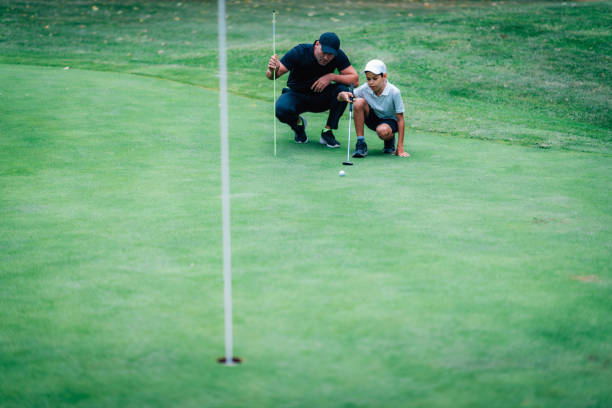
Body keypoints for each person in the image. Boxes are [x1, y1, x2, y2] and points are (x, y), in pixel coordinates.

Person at [266, 32, 359, 147]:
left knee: (344, 90)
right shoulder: (300, 52)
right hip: (297, 95)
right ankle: (298, 126)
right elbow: (273, 76)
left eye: (330, 54)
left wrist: (332, 76)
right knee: (281, 109)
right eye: (324, 52)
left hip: (321, 98)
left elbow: (355, 80)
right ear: (317, 44)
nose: (326, 57)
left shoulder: (338, 55)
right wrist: (272, 70)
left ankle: (327, 132)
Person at [337, 59, 409, 158]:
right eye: (368, 79)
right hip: (373, 120)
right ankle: (361, 143)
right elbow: (346, 96)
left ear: (384, 76)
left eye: (375, 79)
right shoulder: (365, 88)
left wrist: (400, 147)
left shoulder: (394, 92)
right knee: (358, 102)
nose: (371, 82)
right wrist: (342, 94)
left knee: (382, 130)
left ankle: (389, 139)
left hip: (390, 122)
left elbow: (400, 119)